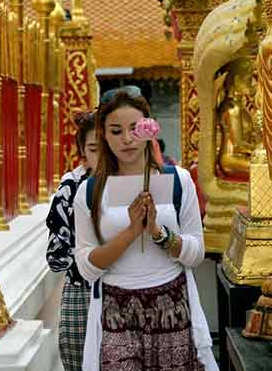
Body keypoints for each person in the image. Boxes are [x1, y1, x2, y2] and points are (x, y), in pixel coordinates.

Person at [74, 86, 218, 371]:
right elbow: (86, 266)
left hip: (172, 306)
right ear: (103, 134)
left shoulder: (179, 180)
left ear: (149, 129)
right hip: (116, 311)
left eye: (135, 128)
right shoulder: (89, 191)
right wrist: (130, 232)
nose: (127, 139)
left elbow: (196, 253)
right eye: (116, 131)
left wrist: (157, 233)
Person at [46, 111, 98, 371]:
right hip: (83, 293)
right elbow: (56, 255)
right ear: (82, 150)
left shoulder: (136, 182)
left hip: (131, 289)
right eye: (93, 148)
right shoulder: (71, 185)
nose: (101, 156)